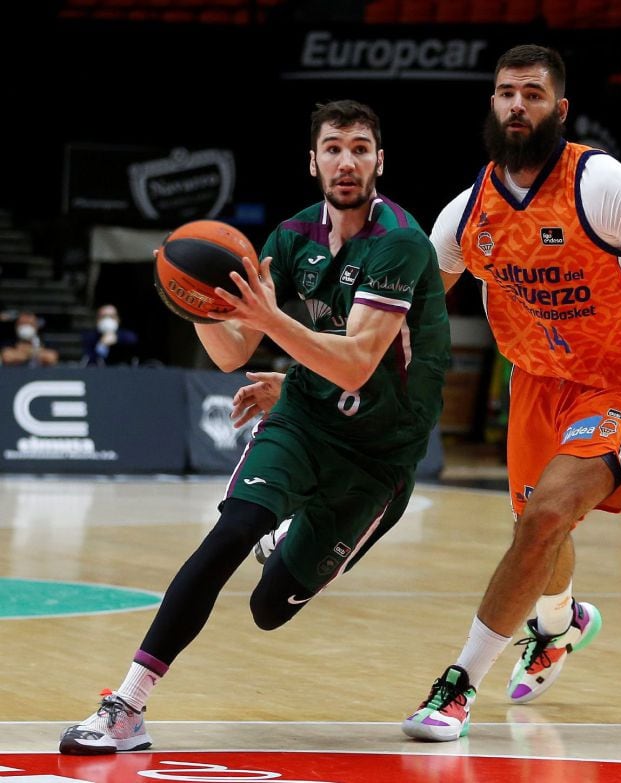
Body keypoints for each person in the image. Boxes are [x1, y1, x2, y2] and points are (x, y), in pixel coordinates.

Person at [58, 99, 450, 755]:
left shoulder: (401, 245)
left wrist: (281, 339)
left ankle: (296, 533)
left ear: (380, 161)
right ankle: (127, 705)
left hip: (378, 460)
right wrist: (197, 300)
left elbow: (356, 362)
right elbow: (234, 351)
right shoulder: (291, 237)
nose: (346, 160)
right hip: (307, 424)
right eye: (333, 147)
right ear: (312, 160)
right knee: (234, 527)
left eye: (360, 147)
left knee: (269, 609)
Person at [399, 44, 621, 742]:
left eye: (532, 94)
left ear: (559, 109)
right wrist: (310, 379)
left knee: (546, 515)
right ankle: (560, 625)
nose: (516, 105)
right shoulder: (466, 215)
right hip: (537, 379)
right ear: (492, 105)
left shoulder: (603, 187)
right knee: (537, 527)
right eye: (505, 93)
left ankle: (458, 684)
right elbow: (408, 316)